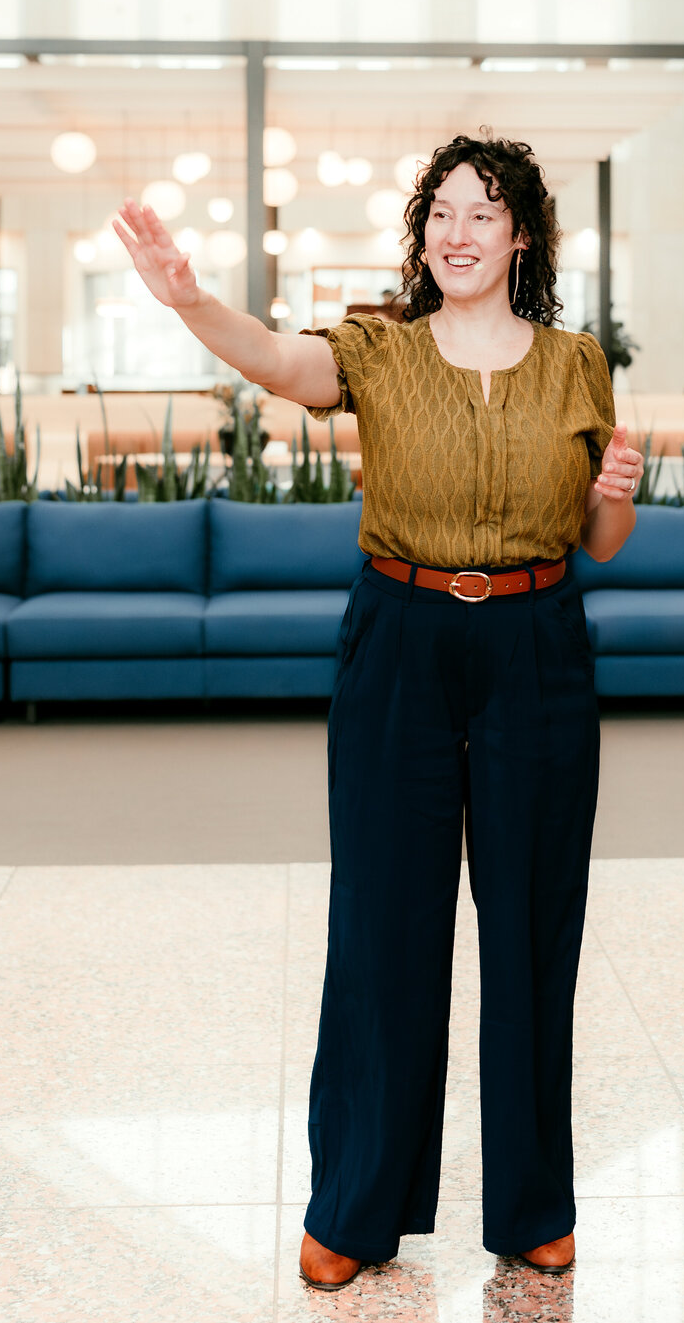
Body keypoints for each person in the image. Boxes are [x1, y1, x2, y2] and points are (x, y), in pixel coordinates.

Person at [113, 133, 642, 1290]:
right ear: (426, 235)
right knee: (383, 928)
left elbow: (597, 542)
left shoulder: (577, 365)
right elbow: (278, 364)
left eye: (483, 212)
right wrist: (193, 300)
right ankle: (354, 1206)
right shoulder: (381, 352)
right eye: (442, 212)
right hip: (401, 637)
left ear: (521, 237)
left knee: (532, 926)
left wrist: (616, 501)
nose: (459, 231)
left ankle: (533, 1206)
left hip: (538, 639)